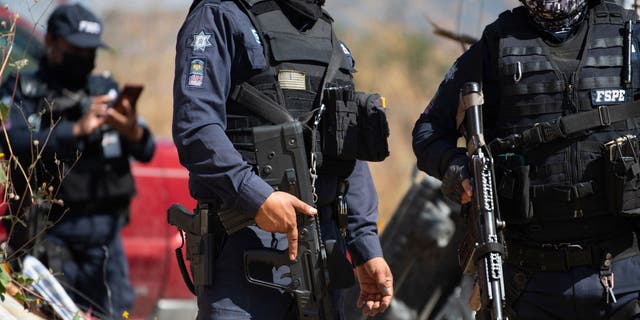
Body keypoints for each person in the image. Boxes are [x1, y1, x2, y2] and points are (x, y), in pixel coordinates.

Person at [413, 0, 640, 319]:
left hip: (625, 277)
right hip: (529, 282)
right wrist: (458, 171)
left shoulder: (628, 35)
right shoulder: (498, 44)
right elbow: (429, 131)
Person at [173, 0, 393, 319]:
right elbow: (196, 127)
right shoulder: (221, 14)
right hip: (243, 245)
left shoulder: (326, 36)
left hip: (323, 253)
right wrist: (257, 197)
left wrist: (365, 246)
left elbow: (346, 150)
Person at [0, 4, 155, 318]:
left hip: (105, 239)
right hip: (47, 233)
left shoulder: (103, 89)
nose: (85, 58)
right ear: (53, 43)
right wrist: (75, 130)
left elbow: (147, 150)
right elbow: (10, 141)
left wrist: (132, 131)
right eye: (76, 49)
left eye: (90, 51)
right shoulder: (23, 89)